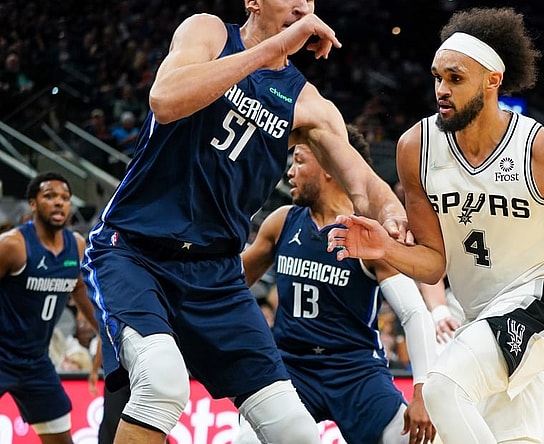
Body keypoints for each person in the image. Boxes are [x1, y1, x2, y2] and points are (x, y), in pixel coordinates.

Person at [80, 2, 408, 443]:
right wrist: (272, 50)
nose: (303, 7)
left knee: (297, 432)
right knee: (161, 383)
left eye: (310, 1)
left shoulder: (307, 103)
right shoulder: (208, 32)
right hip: (135, 252)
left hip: (216, 276)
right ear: (253, 0)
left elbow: (362, 182)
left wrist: (390, 216)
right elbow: (165, 100)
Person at [327, 7, 544, 443]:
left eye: (455, 78)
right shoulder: (416, 148)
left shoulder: (540, 150)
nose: (441, 90)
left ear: (492, 81)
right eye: (437, 77)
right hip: (477, 314)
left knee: (445, 389)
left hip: (542, 301)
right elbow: (432, 264)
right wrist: (384, 249)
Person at [235, 125, 437, 444]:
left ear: (329, 167)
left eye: (299, 160)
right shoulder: (281, 222)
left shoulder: (367, 234)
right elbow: (228, 286)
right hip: (291, 366)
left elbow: (414, 313)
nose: (290, 172)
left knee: (411, 440)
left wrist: (423, 390)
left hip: (354, 369)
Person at [422, 205, 544, 444]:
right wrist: (438, 311)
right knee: (452, 405)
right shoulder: (461, 202)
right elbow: (430, 265)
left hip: (531, 319)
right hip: (466, 315)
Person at [0, 172, 97, 444]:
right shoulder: (12, 245)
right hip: (2, 354)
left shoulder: (76, 245)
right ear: (33, 204)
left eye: (65, 198)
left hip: (36, 361)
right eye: (50, 196)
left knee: (61, 440)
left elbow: (79, 290)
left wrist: (104, 331)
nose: (59, 203)